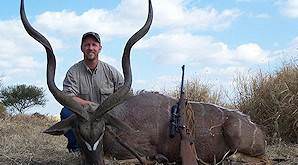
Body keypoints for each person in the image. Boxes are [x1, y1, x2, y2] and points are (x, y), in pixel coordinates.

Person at [60, 32, 124, 153]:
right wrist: (90, 105)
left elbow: (125, 93)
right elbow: (68, 97)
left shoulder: (111, 71)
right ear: (82, 48)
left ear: (99, 48)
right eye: (87, 45)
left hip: (106, 116)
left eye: (94, 44)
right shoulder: (73, 72)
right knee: (66, 112)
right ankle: (76, 149)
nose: (90, 48)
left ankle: (114, 147)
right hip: (84, 116)